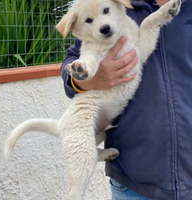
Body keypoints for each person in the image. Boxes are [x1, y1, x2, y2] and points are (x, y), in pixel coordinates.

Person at [60, 0, 192, 199]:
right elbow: (73, 61)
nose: (102, 22)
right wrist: (86, 81)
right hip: (133, 182)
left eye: (105, 12)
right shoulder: (115, 4)